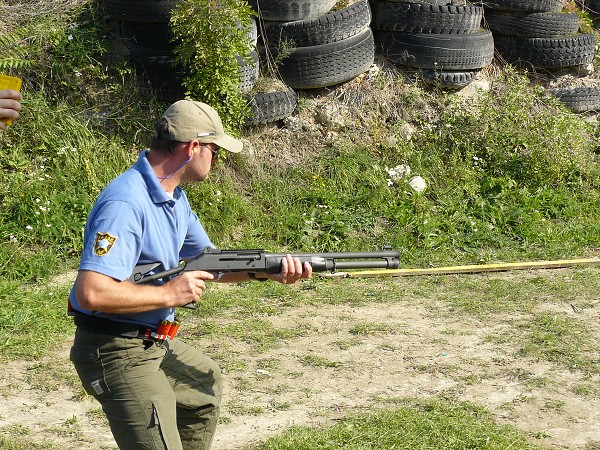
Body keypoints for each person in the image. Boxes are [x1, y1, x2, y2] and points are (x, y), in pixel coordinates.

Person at [68, 100, 312, 450]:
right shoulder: (126, 203)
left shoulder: (172, 195)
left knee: (202, 385)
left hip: (152, 341)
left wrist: (269, 271)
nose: (217, 158)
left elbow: (209, 261)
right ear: (192, 148)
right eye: (215, 150)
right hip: (114, 350)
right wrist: (169, 294)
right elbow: (91, 293)